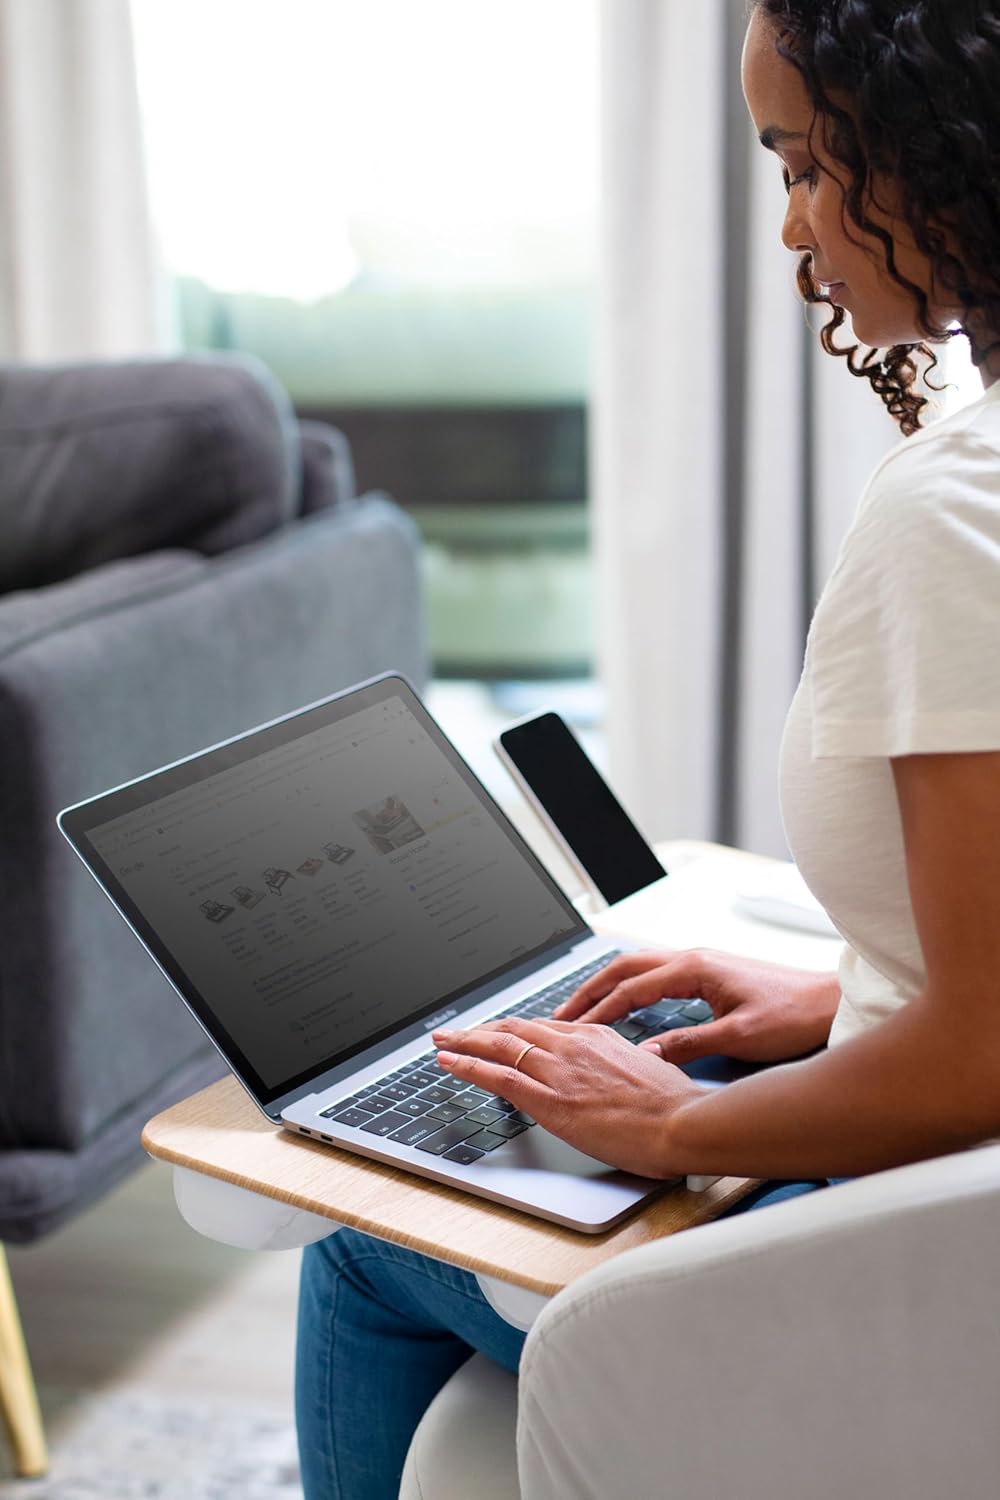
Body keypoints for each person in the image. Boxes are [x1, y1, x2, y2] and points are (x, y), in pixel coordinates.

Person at [295, 3, 1000, 1494]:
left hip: (930, 1275)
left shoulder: (953, 511)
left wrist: (681, 1119)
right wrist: (836, 999)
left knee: (359, 1249)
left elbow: (989, 1047)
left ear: (947, 161)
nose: (797, 227)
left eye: (812, 167)